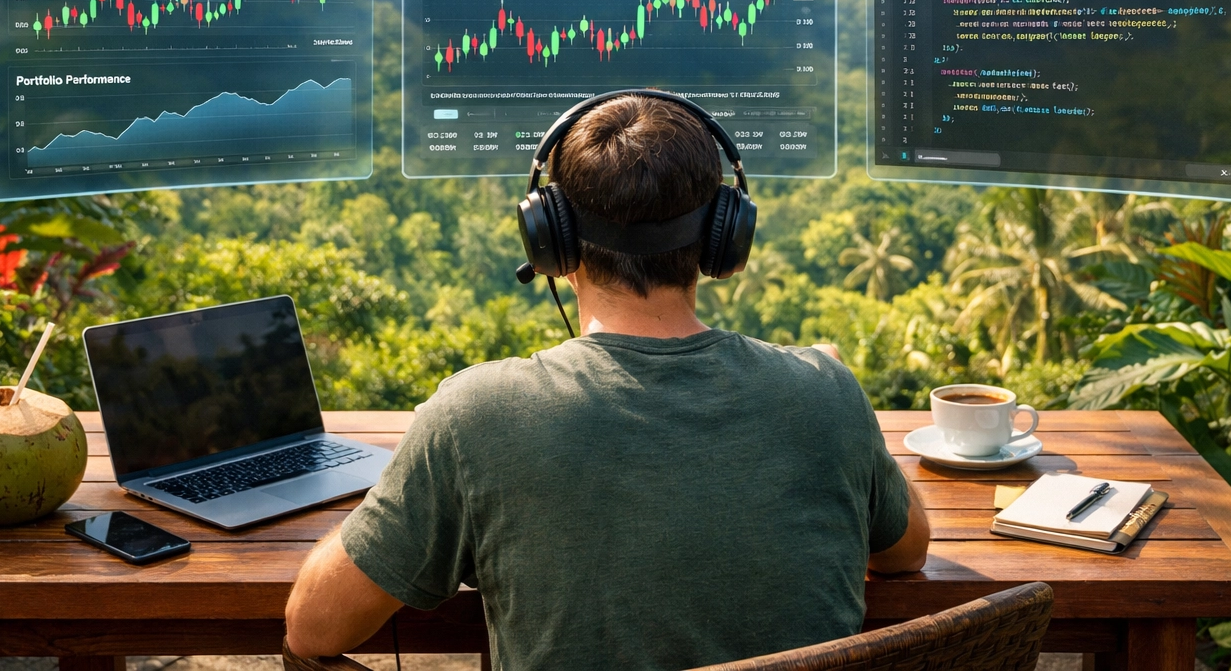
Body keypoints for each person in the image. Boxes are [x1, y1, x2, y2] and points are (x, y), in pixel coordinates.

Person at [285, 93, 929, 670]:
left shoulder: (474, 416)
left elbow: (312, 629)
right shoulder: (826, 389)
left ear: (550, 240)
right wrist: (830, 390)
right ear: (725, 236)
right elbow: (906, 552)